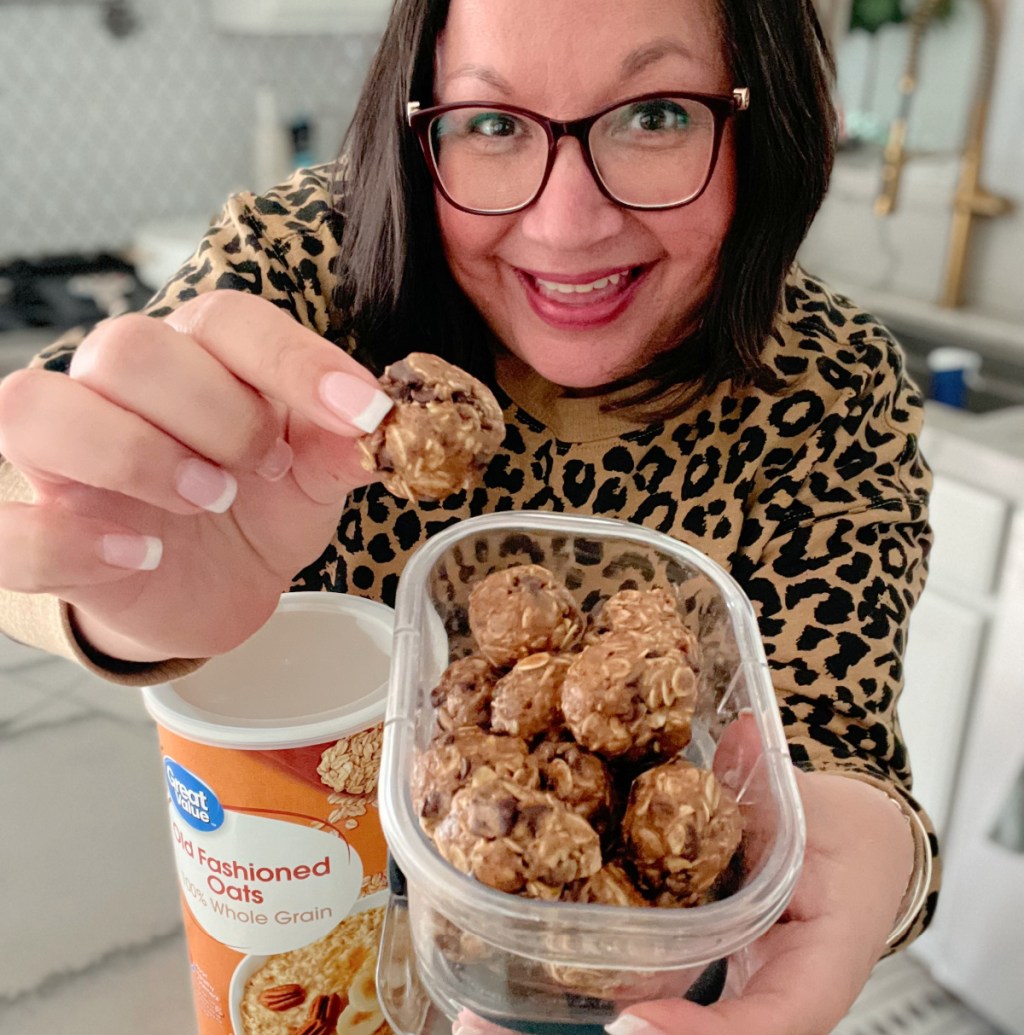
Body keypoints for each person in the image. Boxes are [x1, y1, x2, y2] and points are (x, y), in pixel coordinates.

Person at [0, 0, 939, 1032]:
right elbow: (35, 471)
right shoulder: (306, 267)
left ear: (766, 126)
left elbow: (838, 746)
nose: (566, 222)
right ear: (418, 126)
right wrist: (115, 584)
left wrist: (879, 854)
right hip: (313, 918)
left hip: (637, 984)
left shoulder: (834, 386)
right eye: (492, 125)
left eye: (657, 114)